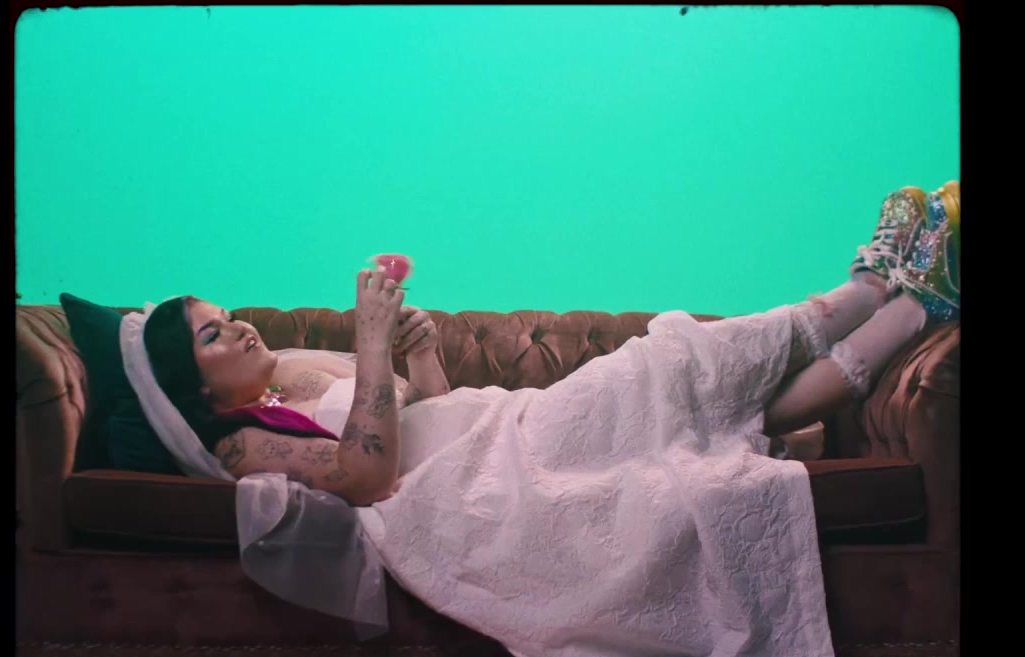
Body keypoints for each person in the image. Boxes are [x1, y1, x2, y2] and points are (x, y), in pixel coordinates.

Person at [143, 180, 959, 508]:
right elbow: (365, 475)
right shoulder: (240, 443)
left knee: (719, 412)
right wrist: (371, 339)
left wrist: (416, 356)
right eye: (214, 334)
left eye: (227, 314)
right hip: (506, 464)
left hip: (502, 425)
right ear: (196, 387)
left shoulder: (289, 381)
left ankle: (911, 306)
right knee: (676, 362)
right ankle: (874, 289)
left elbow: (423, 415)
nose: (239, 327)